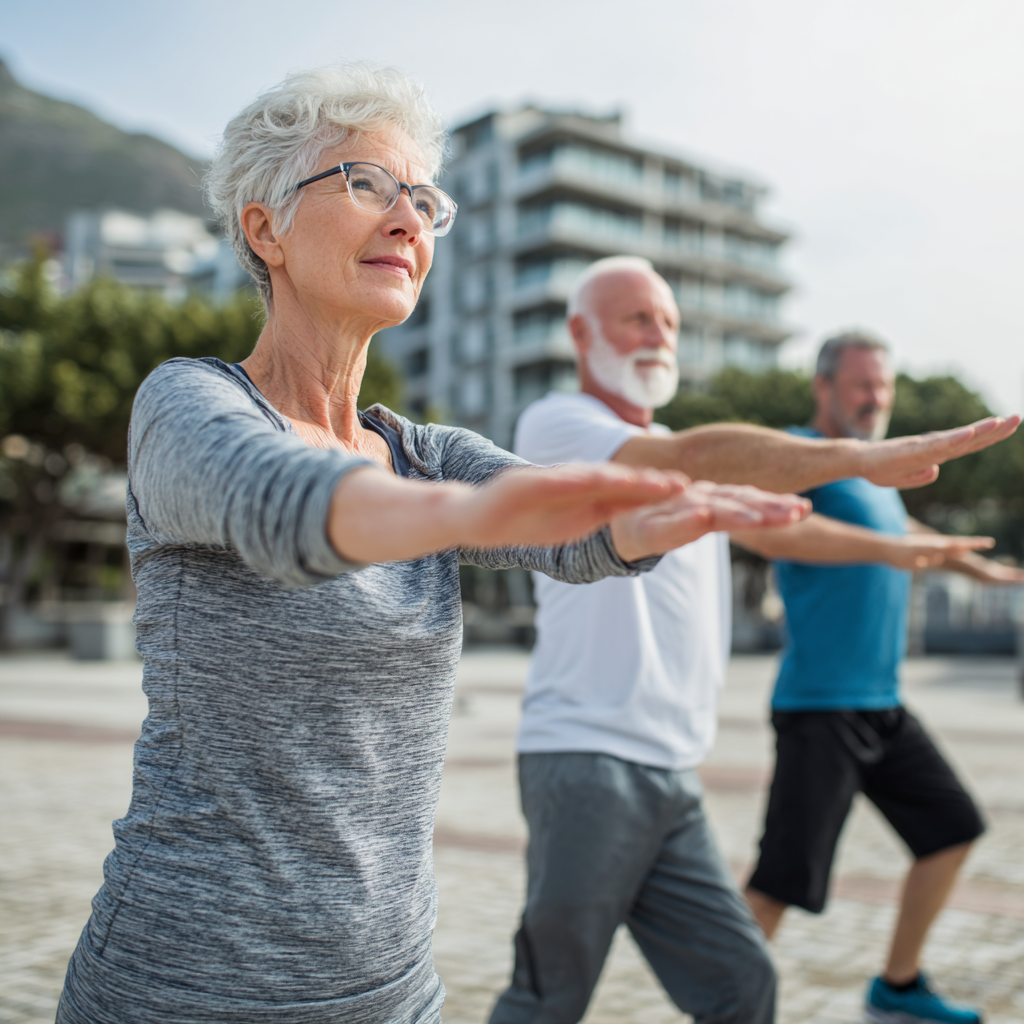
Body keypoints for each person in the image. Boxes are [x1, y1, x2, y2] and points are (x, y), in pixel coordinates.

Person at [54, 66, 819, 1024]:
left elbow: (563, 523)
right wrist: (462, 516)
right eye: (365, 185)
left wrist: (643, 517)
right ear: (265, 229)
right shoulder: (188, 404)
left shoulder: (430, 454)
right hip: (187, 986)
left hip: (395, 989)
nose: (408, 219)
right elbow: (284, 499)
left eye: (422, 198)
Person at [488, 257, 1013, 1024]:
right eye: (637, 318)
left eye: (667, 321)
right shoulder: (558, 425)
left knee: (743, 985)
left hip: (674, 770)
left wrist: (923, 549)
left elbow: (795, 523)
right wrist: (861, 460)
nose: (658, 335)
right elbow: (694, 459)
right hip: (588, 754)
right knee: (549, 998)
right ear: (580, 332)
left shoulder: (677, 450)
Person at [739, 331, 1024, 1024]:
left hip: (881, 706)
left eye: (885, 387)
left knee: (951, 829)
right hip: (820, 709)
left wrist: (986, 570)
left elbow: (917, 542)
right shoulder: (799, 454)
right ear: (825, 388)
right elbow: (765, 531)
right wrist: (906, 549)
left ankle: (897, 985)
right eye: (863, 385)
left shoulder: (878, 476)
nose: (877, 400)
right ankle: (723, 1009)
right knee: (780, 883)